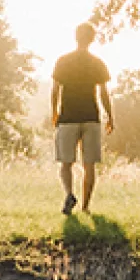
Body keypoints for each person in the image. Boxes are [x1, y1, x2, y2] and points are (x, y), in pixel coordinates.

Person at [51, 22, 114, 214]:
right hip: (91, 118)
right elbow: (104, 93)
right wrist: (110, 116)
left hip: (68, 117)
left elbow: (55, 91)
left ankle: (69, 194)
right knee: (89, 165)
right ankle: (85, 207)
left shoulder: (63, 61)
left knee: (65, 163)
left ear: (75, 37)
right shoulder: (97, 63)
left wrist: (54, 113)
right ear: (92, 39)